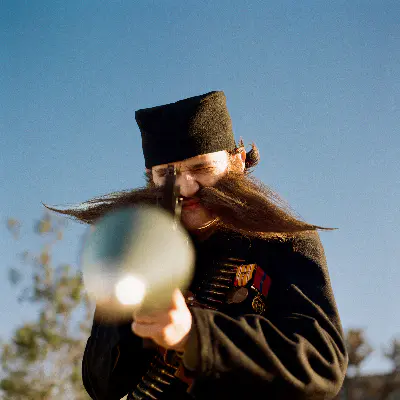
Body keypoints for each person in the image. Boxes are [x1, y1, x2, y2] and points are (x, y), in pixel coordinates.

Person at [48, 91, 348, 399]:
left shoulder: (283, 242)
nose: (185, 187)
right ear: (151, 178)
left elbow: (321, 364)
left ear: (237, 162)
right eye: (167, 174)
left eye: (201, 168)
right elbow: (102, 385)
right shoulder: (137, 253)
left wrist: (197, 334)